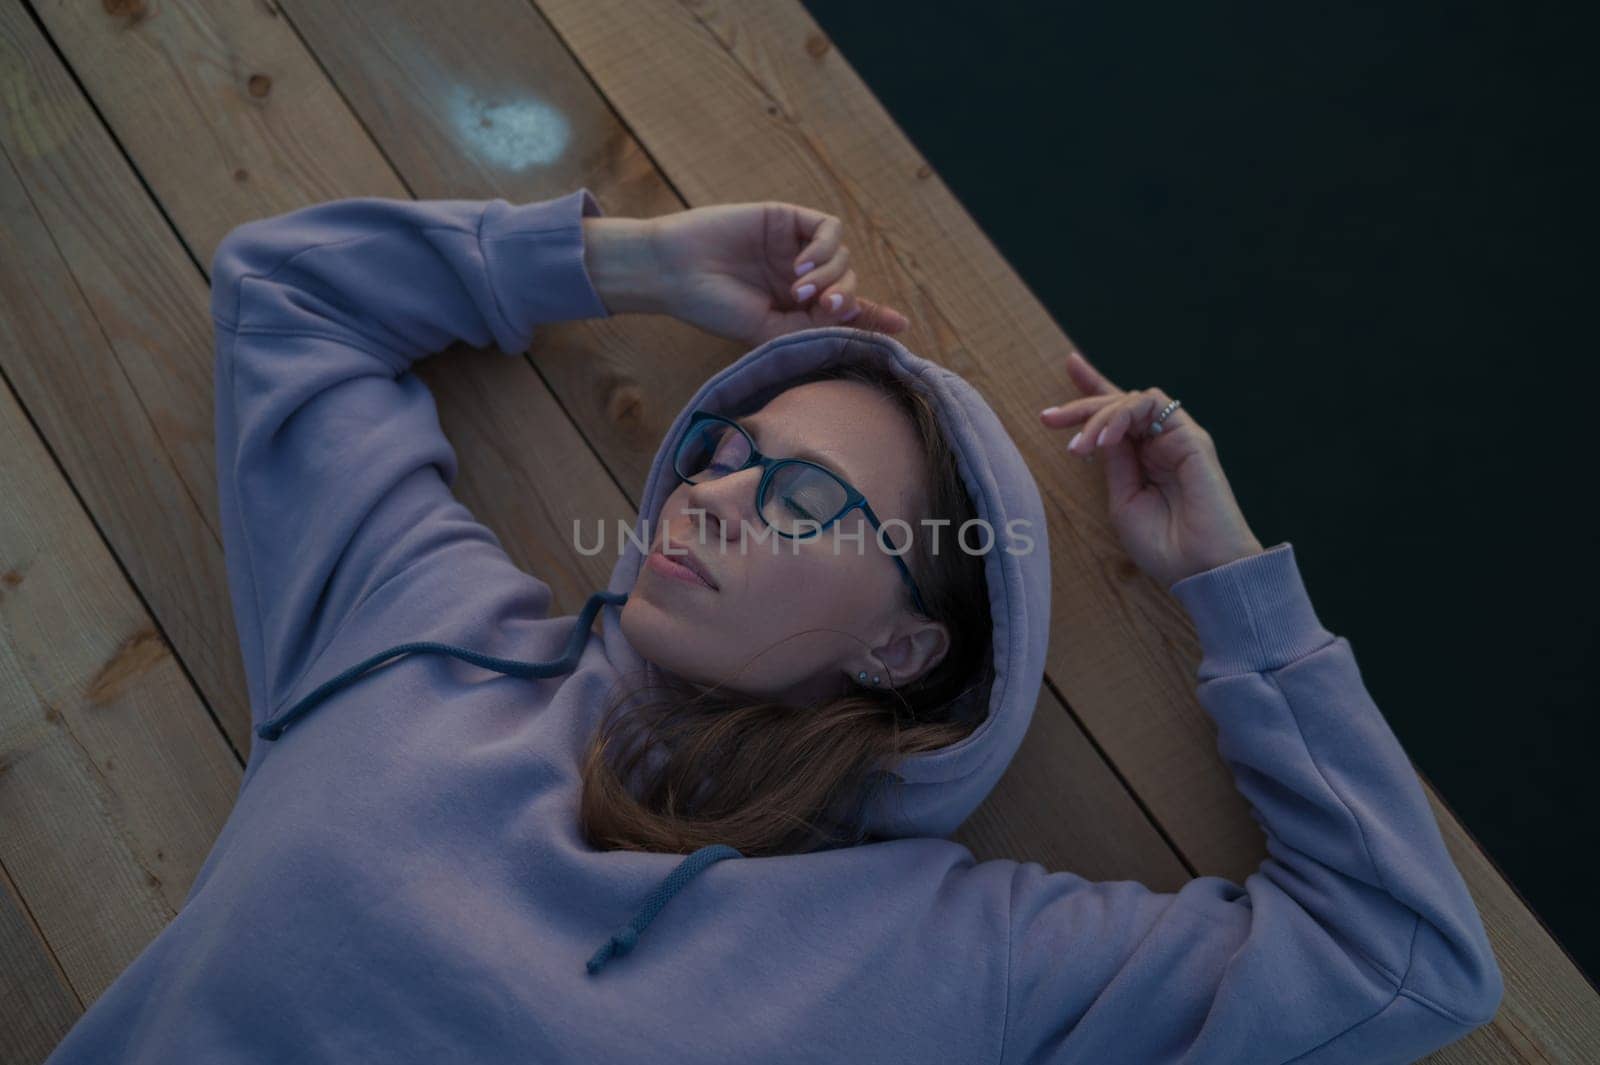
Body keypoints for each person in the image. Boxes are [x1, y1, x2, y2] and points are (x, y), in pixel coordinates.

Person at [41, 188, 1501, 1063]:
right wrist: (634, 262)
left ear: (901, 643)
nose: (724, 489)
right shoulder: (418, 632)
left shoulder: (947, 957)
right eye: (724, 450)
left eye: (803, 494)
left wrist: (1226, 582)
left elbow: (1408, 961)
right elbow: (288, 293)